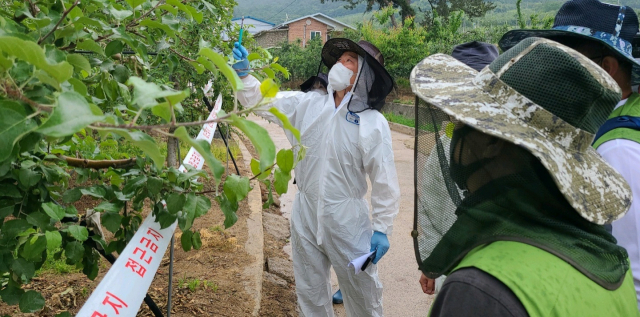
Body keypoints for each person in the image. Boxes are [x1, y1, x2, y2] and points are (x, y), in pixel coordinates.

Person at [411, 37, 638, 316]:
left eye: (463, 121)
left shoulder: (479, 289)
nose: (455, 131)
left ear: (492, 142)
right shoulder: (612, 266)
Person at [232, 39, 400, 316]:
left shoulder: (372, 123)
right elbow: (263, 101)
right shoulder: (309, 104)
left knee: (362, 291)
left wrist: (382, 227)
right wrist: (243, 76)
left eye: (350, 61)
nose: (341, 64)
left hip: (347, 220)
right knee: (310, 290)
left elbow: (384, 179)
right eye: (340, 59)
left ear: (365, 76)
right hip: (306, 212)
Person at [499, 0, 640, 308]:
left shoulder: (618, 148)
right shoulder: (601, 124)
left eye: (570, 57)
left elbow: (632, 266)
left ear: (606, 68)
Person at [417, 40, 499, 296]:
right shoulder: (445, 144)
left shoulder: (509, 147)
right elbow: (429, 204)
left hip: (498, 271)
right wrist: (432, 261)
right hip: (451, 266)